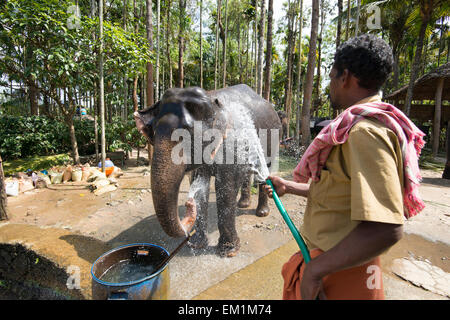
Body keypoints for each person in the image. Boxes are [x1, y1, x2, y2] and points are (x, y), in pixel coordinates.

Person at [264, 34, 426, 300]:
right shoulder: (359, 127)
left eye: (331, 77)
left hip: (341, 274)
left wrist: (315, 271)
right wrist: (290, 187)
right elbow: (344, 192)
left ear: (346, 77)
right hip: (337, 264)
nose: (331, 85)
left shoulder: (364, 133)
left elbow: (386, 228)